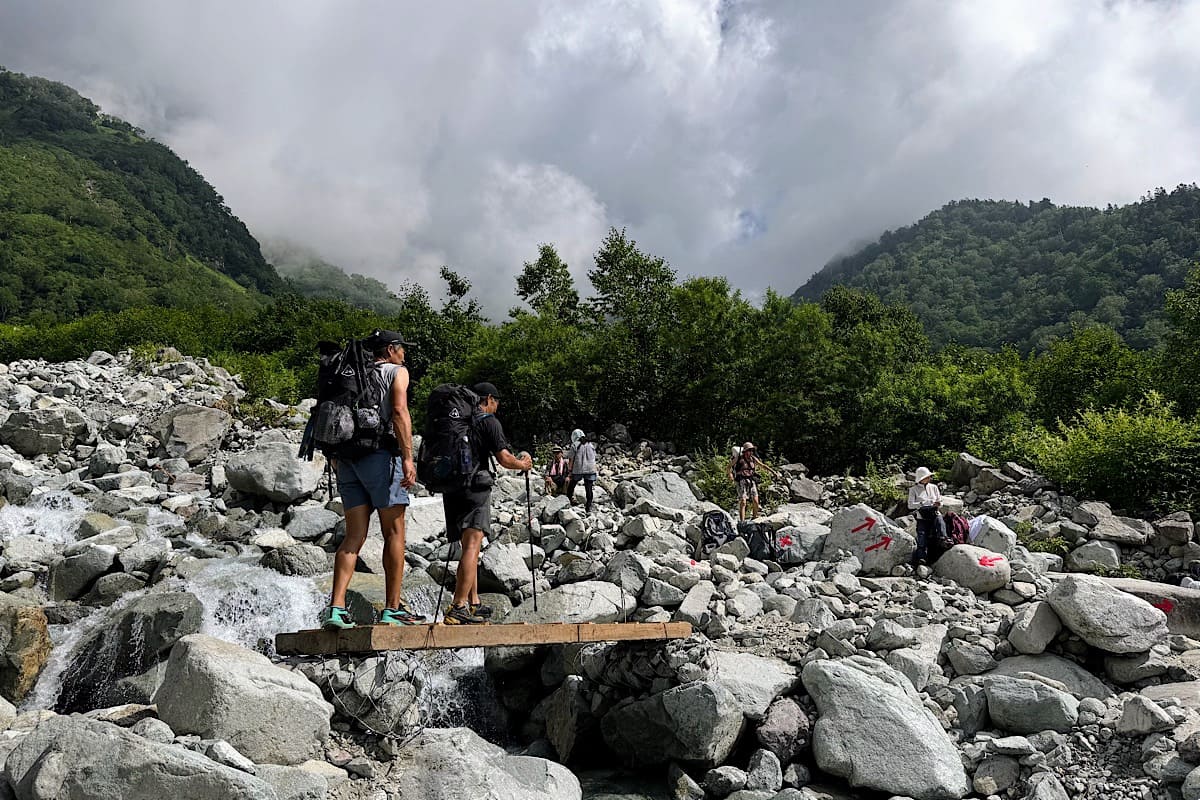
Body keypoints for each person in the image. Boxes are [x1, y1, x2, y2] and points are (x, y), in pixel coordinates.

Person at [320, 330, 421, 629]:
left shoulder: (350, 374)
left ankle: (336, 609)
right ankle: (392, 609)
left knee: (354, 537)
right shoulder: (396, 372)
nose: (404, 353)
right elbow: (400, 412)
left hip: (348, 461)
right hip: (380, 458)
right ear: (390, 350)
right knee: (394, 534)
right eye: (402, 348)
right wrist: (407, 456)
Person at [441, 382, 532, 625]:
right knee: (473, 546)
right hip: (475, 488)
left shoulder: (458, 422)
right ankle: (459, 605)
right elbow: (504, 459)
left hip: (451, 489)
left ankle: (473, 603)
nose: (497, 406)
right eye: (497, 402)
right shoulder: (488, 421)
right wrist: (523, 464)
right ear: (489, 399)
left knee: (465, 545)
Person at [908, 466, 941, 566]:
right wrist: (922, 503)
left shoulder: (934, 487)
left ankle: (933, 558)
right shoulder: (913, 490)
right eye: (927, 477)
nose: (929, 478)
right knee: (922, 536)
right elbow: (910, 505)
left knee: (934, 536)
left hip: (934, 514)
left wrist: (938, 504)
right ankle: (921, 558)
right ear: (921, 478)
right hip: (922, 517)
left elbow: (940, 501)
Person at [565, 431, 598, 513]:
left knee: (572, 485)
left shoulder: (575, 445)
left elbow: (571, 459)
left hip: (578, 468)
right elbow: (594, 457)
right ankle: (588, 507)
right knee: (589, 488)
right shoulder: (590, 445)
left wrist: (569, 470)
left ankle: (568, 501)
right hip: (590, 469)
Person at [729, 442, 761, 521]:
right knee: (743, 501)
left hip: (751, 480)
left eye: (752, 450)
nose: (751, 452)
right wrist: (730, 475)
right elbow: (728, 467)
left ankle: (754, 518)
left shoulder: (753, 459)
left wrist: (773, 472)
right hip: (741, 481)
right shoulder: (739, 459)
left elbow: (762, 465)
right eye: (749, 450)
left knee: (756, 501)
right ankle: (742, 522)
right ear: (745, 451)